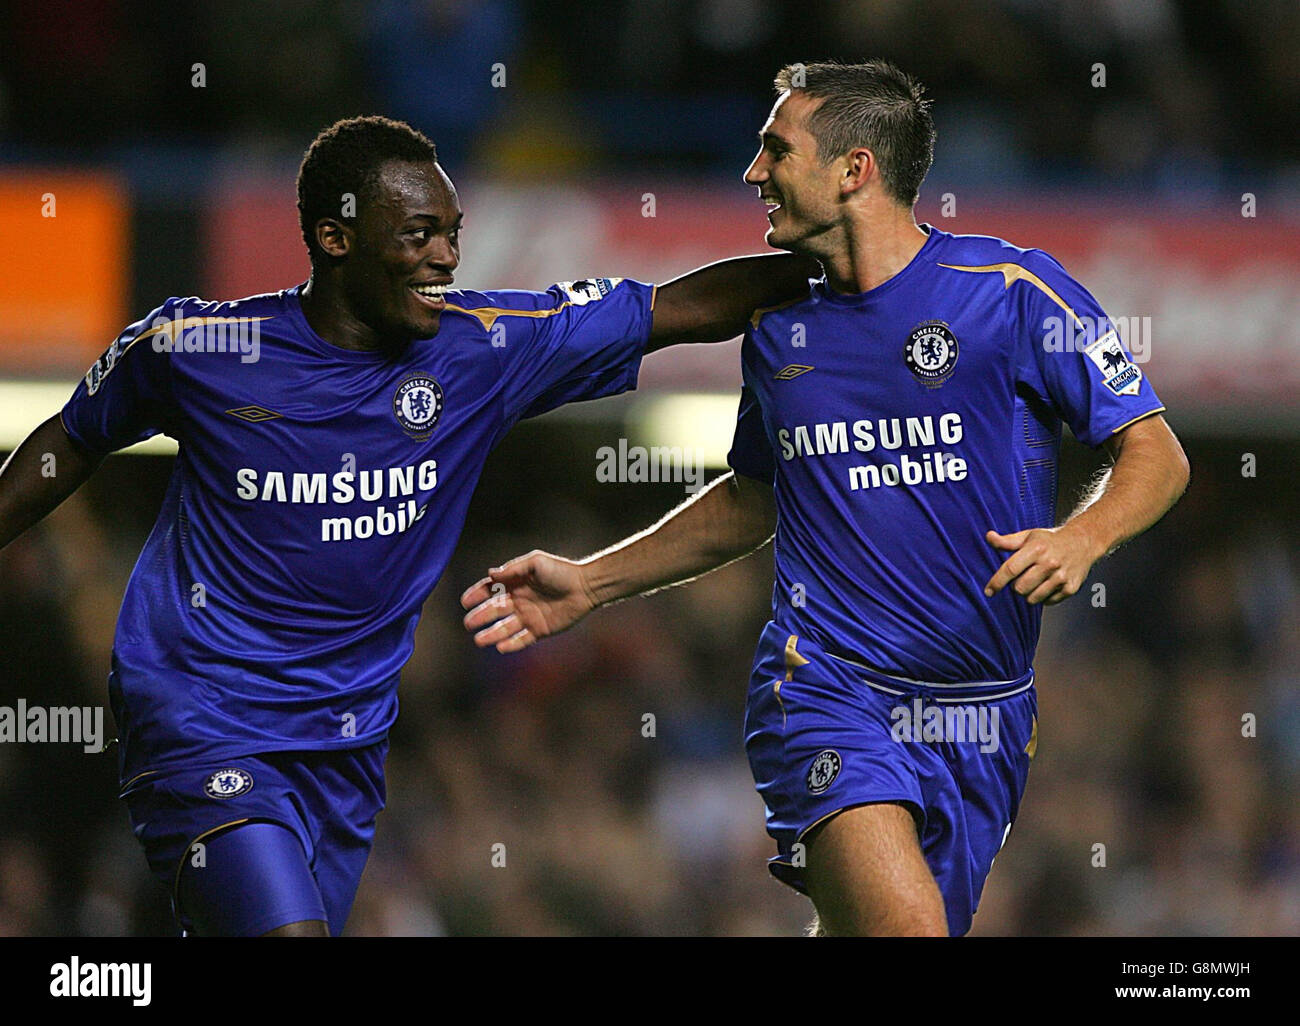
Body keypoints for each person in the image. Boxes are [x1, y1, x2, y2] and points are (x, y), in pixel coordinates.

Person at [0, 115, 816, 937]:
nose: (448, 257)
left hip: (346, 749)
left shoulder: (484, 349)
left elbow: (683, 308)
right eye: (420, 234)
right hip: (203, 720)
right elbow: (72, 438)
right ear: (335, 238)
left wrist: (852, 270)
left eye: (453, 235)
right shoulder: (204, 350)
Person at [460, 62, 1190, 937]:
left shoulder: (1014, 295)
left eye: (776, 149)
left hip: (988, 713)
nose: (753, 172)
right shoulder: (778, 330)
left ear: (854, 170)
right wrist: (594, 582)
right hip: (826, 686)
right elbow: (759, 497)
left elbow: (1156, 451)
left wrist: (1083, 536)